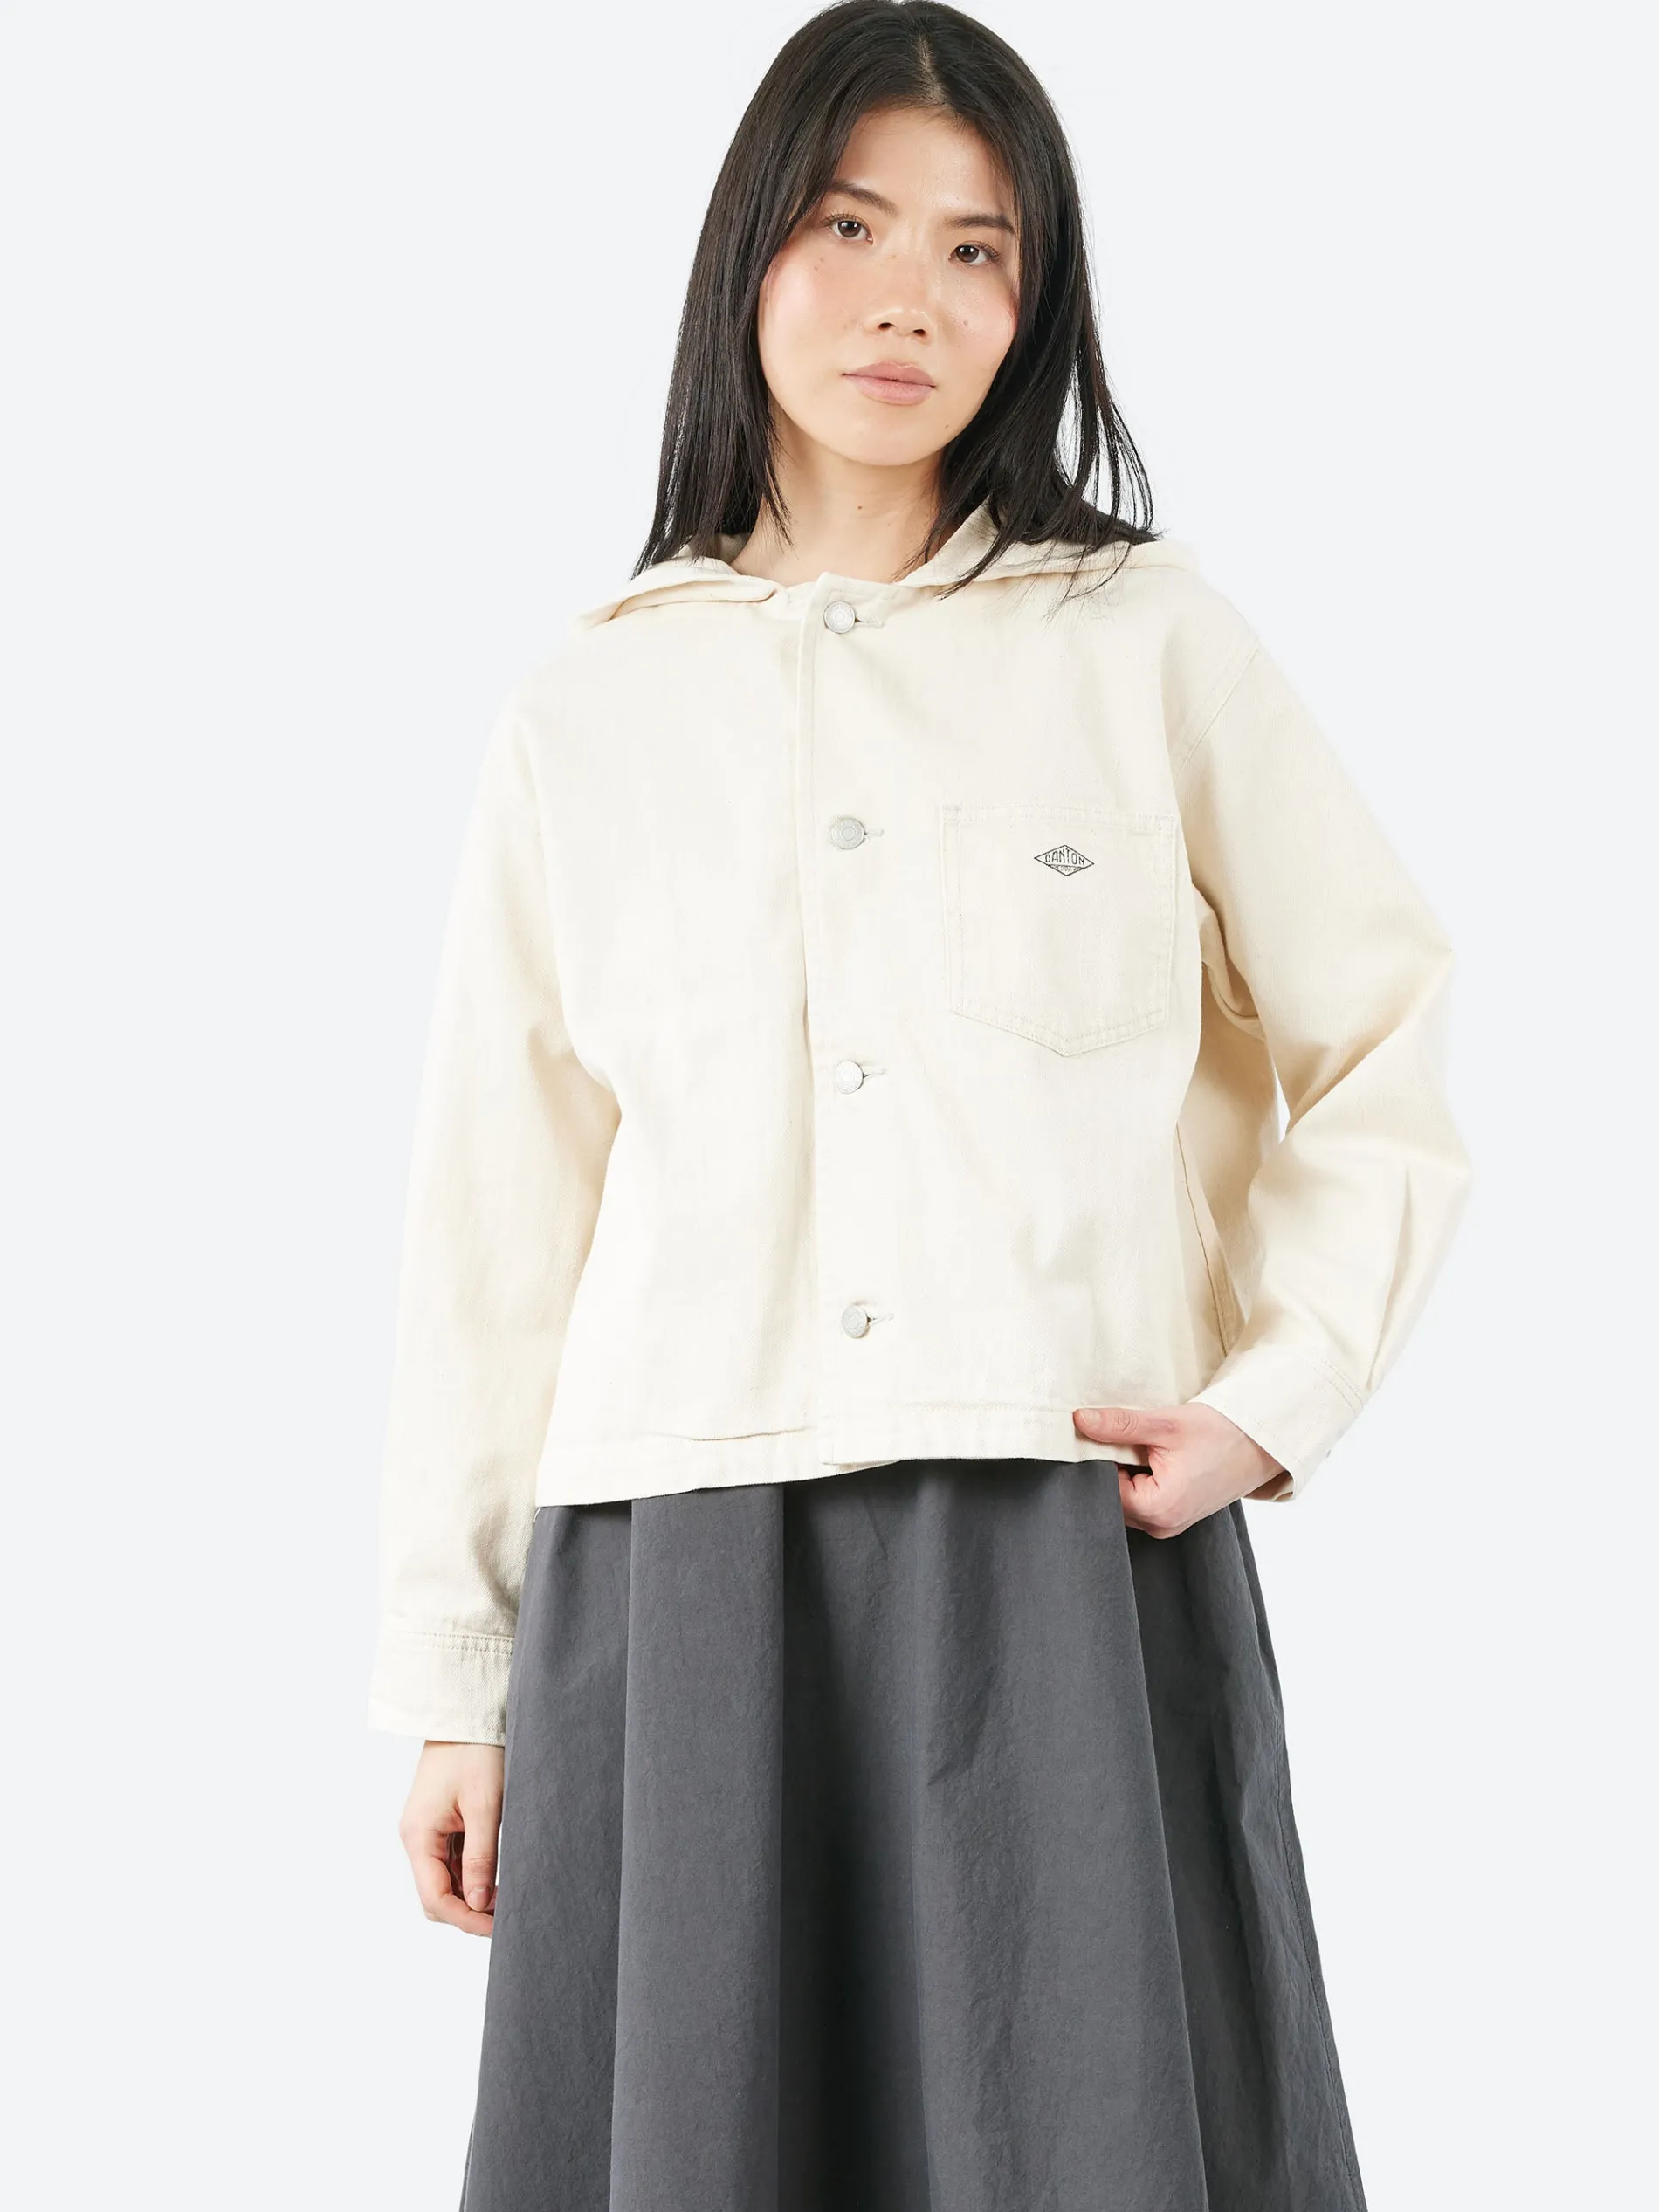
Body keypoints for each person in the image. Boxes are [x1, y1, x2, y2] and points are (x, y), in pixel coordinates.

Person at [368, 3, 1473, 2205]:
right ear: (746, 256)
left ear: (1032, 305)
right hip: (677, 1565)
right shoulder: (589, 708)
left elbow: (1379, 1032)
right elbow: (498, 1223)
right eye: (851, 226)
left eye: (977, 252)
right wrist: (454, 1679)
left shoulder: (1140, 642)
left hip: (1056, 1547)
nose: (908, 299)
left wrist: (1267, 1399)